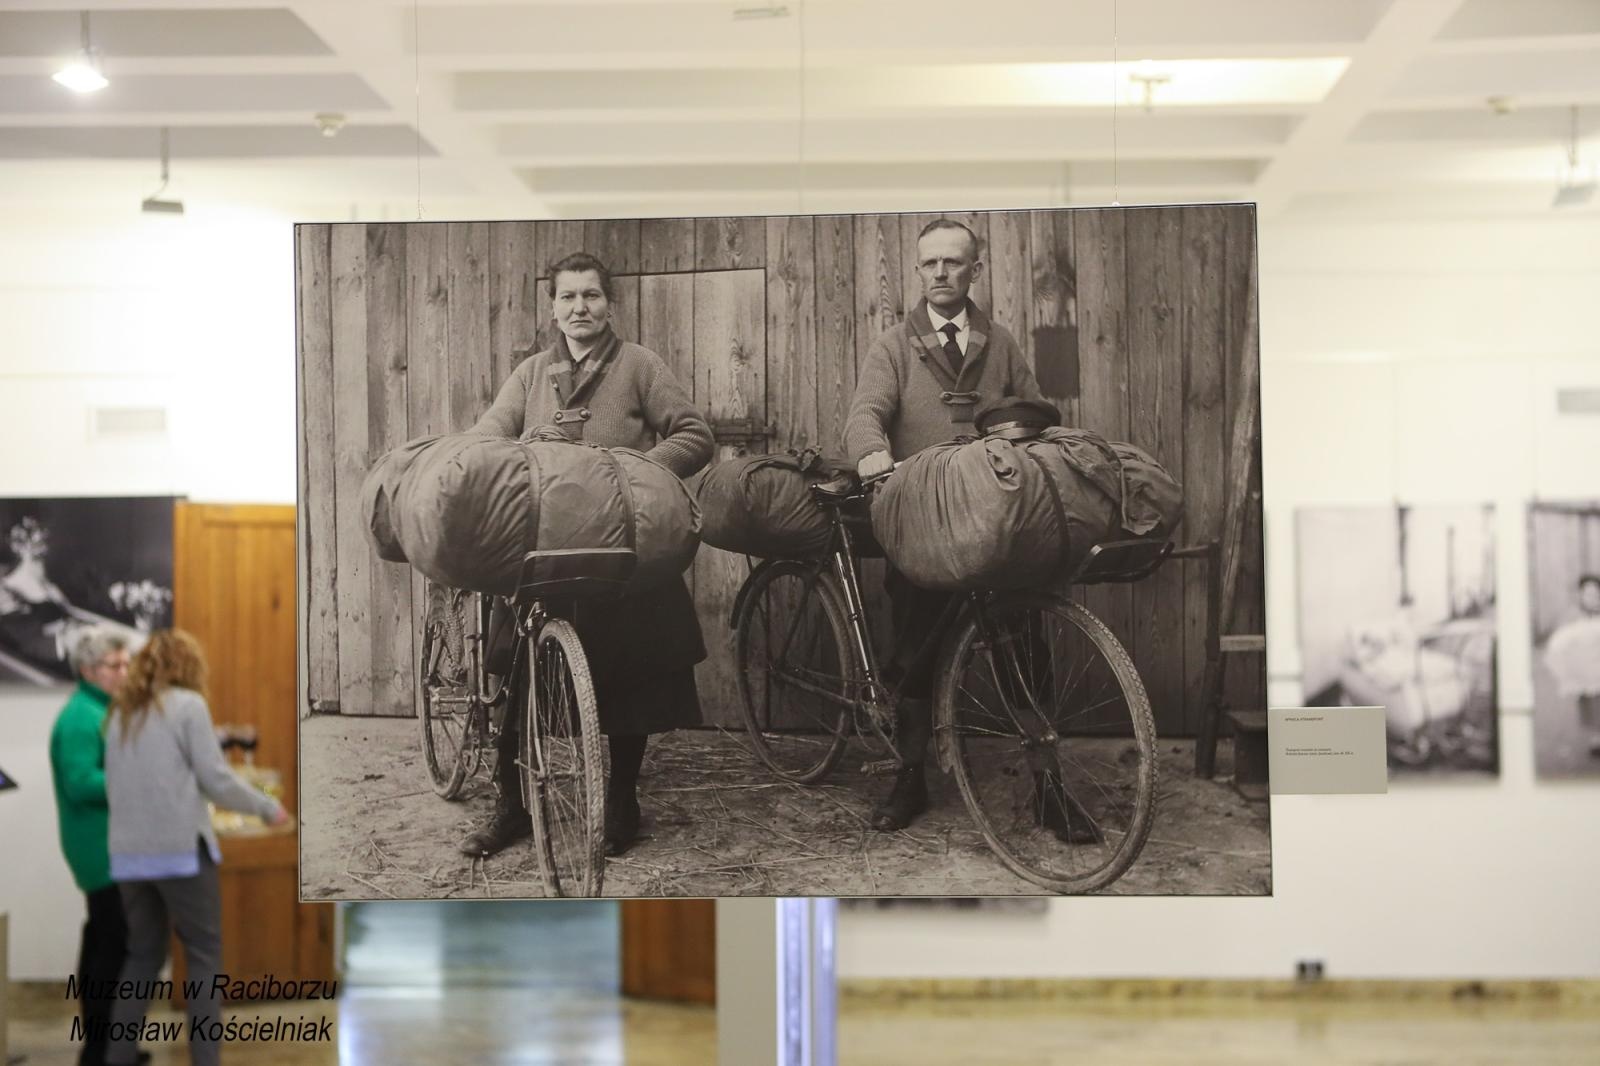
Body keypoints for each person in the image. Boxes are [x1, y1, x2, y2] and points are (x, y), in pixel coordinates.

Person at [459, 251, 714, 859]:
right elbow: (489, 432)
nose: (580, 308)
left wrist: (636, 476)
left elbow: (695, 434)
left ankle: (622, 799)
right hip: (546, 548)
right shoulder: (530, 375)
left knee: (630, 675)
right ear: (553, 308)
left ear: (609, 303)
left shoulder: (639, 366)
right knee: (518, 672)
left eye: (591, 297)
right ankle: (512, 804)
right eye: (569, 298)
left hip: (618, 548)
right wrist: (472, 458)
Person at [844, 218, 1091, 839]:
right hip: (924, 518)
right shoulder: (893, 346)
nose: (942, 274)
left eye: (955, 263)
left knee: (1024, 650)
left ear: (975, 271)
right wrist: (872, 454)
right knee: (915, 644)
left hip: (995, 518)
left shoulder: (1000, 343)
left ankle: (1047, 784)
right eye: (930, 264)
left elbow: (1034, 409)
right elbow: (865, 414)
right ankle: (909, 777)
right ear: (918, 270)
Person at [102, 629, 287, 1066]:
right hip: (180, 854)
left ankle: (117, 1058)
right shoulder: (189, 706)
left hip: (129, 857)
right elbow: (216, 779)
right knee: (203, 960)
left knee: (142, 956)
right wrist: (267, 807)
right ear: (189, 666)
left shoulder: (120, 714)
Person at [50, 626, 142, 1066]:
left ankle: (108, 1044)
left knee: (106, 939)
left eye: (127, 663)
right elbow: (81, 781)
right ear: (88, 670)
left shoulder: (100, 709)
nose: (124, 672)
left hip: (111, 843)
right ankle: (102, 1050)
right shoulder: (80, 717)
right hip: (98, 846)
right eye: (115, 665)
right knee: (113, 944)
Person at [1545, 573, 1600, 757]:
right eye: (1588, 594)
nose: (1592, 598)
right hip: (1587, 670)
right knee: (1591, 703)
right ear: (1581, 596)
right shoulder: (1575, 619)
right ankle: (1596, 738)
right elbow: (1561, 643)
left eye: (1596, 594)